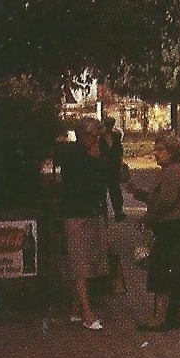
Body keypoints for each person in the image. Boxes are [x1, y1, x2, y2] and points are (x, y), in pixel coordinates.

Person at [123, 132, 180, 331]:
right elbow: (161, 198)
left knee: (162, 272)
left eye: (161, 149)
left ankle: (160, 318)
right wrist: (138, 193)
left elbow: (166, 202)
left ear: (172, 151)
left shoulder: (171, 171)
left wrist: (146, 219)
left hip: (173, 227)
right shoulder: (175, 170)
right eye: (156, 149)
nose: (156, 153)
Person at [55, 117, 110, 330]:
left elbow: (107, 177)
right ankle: (88, 312)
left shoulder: (98, 150)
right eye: (93, 136)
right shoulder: (72, 155)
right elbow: (78, 183)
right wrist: (94, 161)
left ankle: (76, 309)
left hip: (93, 211)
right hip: (76, 213)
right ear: (83, 136)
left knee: (92, 259)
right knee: (80, 263)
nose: (96, 140)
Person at [101, 116, 125, 222]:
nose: (110, 127)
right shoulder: (100, 137)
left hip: (114, 166)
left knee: (115, 189)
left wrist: (120, 162)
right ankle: (103, 212)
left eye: (111, 125)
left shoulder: (116, 136)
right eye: (108, 125)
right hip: (103, 166)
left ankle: (118, 212)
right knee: (102, 190)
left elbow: (119, 150)